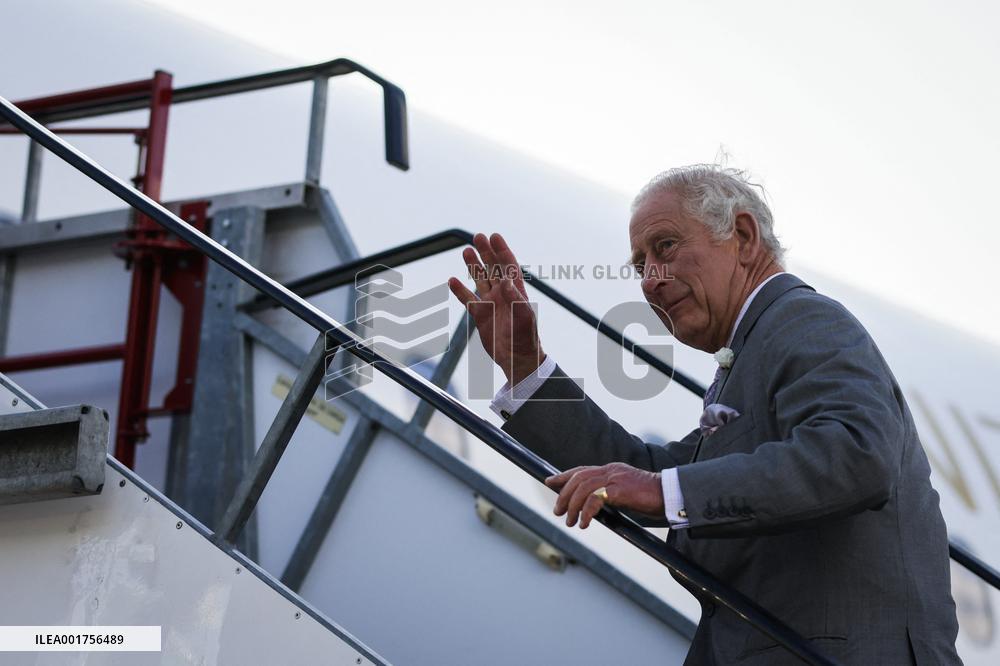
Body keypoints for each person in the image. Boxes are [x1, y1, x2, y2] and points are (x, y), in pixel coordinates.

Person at [447, 165, 961, 665]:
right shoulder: (747, 355)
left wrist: (664, 491)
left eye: (665, 247)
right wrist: (525, 367)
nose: (650, 281)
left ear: (741, 235)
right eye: (639, 265)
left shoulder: (802, 318)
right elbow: (644, 470)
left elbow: (855, 454)